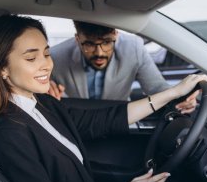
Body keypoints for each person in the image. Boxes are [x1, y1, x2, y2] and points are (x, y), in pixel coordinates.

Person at [0, 14, 207, 182]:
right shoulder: (8, 135)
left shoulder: (44, 104)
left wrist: (172, 93)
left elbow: (102, 120)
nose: (46, 64)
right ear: (2, 69)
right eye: (31, 58)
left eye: (47, 53)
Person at [49, 21, 198, 114]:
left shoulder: (134, 48)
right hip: (79, 126)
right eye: (89, 44)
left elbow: (157, 88)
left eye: (107, 42)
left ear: (116, 35)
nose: (99, 53)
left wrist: (182, 97)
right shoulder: (56, 56)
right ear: (77, 39)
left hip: (119, 121)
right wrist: (44, 88)